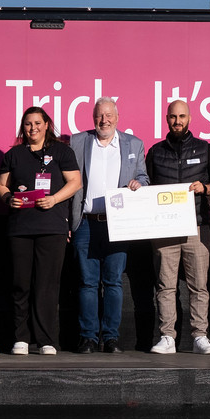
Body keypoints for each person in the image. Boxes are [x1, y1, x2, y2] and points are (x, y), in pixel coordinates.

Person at [0, 107, 81, 356]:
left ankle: (46, 340)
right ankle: (21, 337)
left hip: (52, 228)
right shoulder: (13, 154)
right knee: (20, 284)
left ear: (46, 125)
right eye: (28, 124)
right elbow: (1, 185)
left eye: (37, 123)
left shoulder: (62, 152)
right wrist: (8, 198)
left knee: (47, 286)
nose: (32, 128)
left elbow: (75, 182)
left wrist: (54, 199)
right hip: (20, 229)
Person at [69, 97, 149, 354]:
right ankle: (88, 338)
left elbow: (144, 176)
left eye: (108, 115)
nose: (104, 120)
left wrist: (139, 183)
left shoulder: (134, 144)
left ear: (117, 117)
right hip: (85, 223)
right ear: (93, 118)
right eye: (99, 116)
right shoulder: (77, 141)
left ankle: (111, 338)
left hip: (118, 223)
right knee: (87, 283)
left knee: (113, 282)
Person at [146, 100, 210, 355]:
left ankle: (200, 336)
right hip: (164, 228)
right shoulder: (155, 151)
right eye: (173, 117)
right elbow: (146, 187)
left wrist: (206, 188)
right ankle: (167, 336)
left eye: (181, 116)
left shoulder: (204, 148)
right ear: (166, 119)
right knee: (165, 286)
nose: (177, 121)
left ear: (189, 118)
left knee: (198, 286)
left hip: (197, 227)